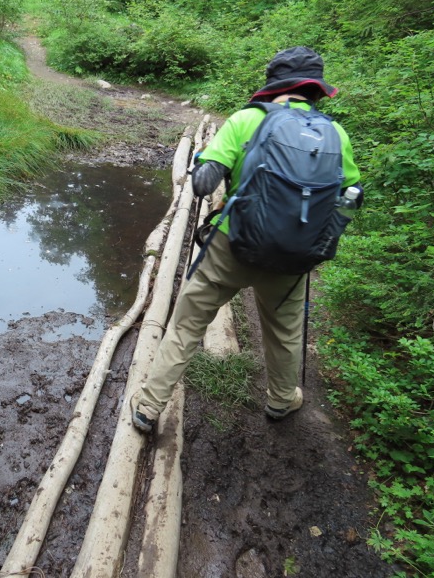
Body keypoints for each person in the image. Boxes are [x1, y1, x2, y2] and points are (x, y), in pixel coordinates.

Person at [131, 46, 363, 432]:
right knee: (285, 332)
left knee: (188, 324)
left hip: (231, 246)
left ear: (273, 86)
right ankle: (281, 401)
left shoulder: (247, 119)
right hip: (294, 257)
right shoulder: (335, 133)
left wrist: (208, 164)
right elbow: (352, 196)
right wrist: (319, 244)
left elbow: (203, 184)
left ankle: (149, 406)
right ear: (315, 90)